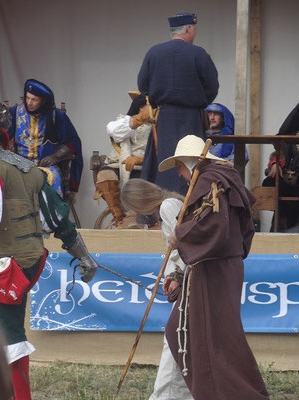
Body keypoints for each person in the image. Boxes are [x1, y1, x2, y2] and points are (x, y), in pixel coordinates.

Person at [155, 135, 269, 399]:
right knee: (206, 334)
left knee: (214, 338)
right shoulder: (219, 179)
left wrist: (179, 235)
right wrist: (180, 272)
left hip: (214, 270)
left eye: (179, 167)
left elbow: (213, 226)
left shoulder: (210, 179)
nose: (180, 174)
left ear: (188, 161)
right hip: (218, 267)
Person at [0, 103, 98, 400]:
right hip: (24, 262)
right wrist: (82, 254)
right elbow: (57, 217)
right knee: (10, 331)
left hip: (5, 267)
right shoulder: (28, 169)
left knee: (8, 335)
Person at [121, 178, 194, 399]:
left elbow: (188, 247)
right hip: (187, 281)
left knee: (175, 338)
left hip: (193, 284)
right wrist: (173, 275)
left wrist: (178, 274)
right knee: (179, 339)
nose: (134, 212)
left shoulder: (168, 206)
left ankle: (166, 395)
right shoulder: (168, 205)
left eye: (133, 207)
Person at [137, 12, 219, 195]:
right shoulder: (199, 54)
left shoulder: (154, 52)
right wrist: (201, 103)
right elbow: (212, 86)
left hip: (164, 117)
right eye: (195, 29)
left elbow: (142, 85)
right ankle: (191, 209)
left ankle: (159, 210)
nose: (195, 32)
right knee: (192, 163)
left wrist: (158, 99)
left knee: (164, 163)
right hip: (191, 119)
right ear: (188, 29)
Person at [8, 79, 83, 198]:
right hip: (17, 166)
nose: (29, 103)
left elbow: (73, 142)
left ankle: (51, 216)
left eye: (34, 99)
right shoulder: (14, 112)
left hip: (45, 167)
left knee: (52, 180)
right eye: (27, 98)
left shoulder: (56, 116)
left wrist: (55, 156)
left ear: (43, 101)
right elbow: (3, 136)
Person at [94, 92, 153, 228]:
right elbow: (112, 130)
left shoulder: (158, 127)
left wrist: (141, 160)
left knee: (137, 182)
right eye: (146, 106)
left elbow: (161, 152)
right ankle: (120, 218)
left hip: (146, 166)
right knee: (105, 175)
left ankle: (133, 217)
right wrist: (137, 120)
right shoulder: (125, 122)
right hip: (120, 164)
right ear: (139, 108)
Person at [263, 103, 299, 231]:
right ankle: (283, 223)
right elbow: (280, 153)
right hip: (290, 181)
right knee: (270, 182)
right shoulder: (292, 135)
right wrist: (276, 163)